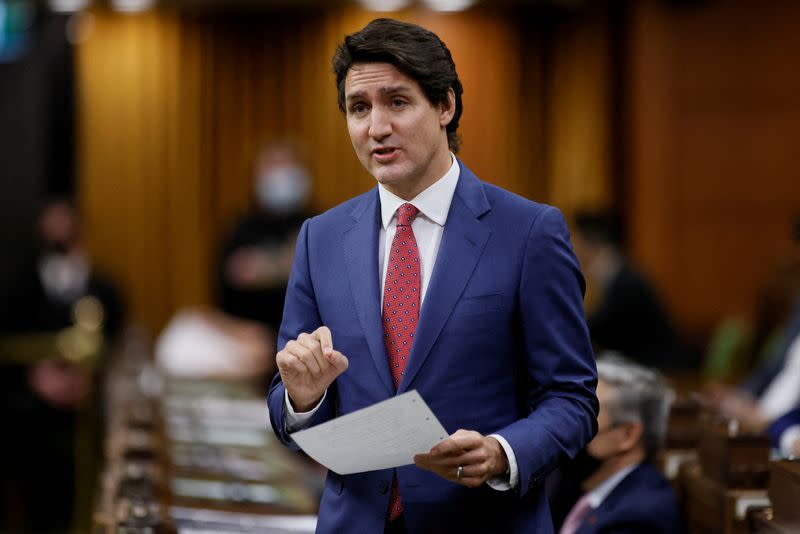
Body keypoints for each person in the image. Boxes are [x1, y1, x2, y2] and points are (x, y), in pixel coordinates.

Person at [267, 18, 598, 533]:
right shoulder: (320, 238)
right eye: (359, 108)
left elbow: (572, 398)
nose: (376, 127)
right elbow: (285, 404)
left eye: (397, 102)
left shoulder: (530, 232)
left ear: (445, 106)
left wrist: (503, 452)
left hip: (482, 519)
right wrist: (302, 399)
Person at [0, 198, 123, 532]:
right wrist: (36, 378)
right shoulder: (17, 289)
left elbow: (121, 349)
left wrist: (89, 380)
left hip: (92, 419)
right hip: (31, 422)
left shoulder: (104, 289)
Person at [557, 355, 686, 534]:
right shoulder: (577, 490)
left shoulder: (639, 518)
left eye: (587, 418)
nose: (571, 429)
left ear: (628, 435)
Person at [216, 140, 314, 337]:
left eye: (287, 164)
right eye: (273, 165)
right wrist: (285, 263)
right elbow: (239, 271)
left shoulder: (317, 222)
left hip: (307, 335)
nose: (281, 174)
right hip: (247, 337)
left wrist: (265, 267)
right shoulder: (241, 227)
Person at [571, 210, 686, 370]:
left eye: (575, 239)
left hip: (659, 370)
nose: (572, 246)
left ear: (590, 241)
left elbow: (602, 326)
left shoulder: (625, 281)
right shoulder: (619, 272)